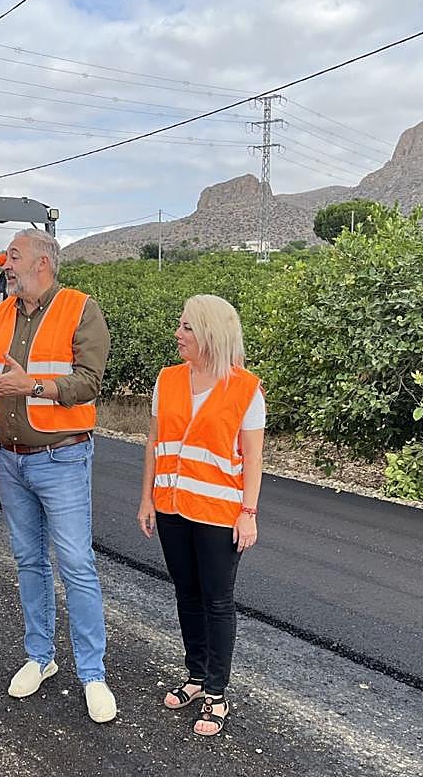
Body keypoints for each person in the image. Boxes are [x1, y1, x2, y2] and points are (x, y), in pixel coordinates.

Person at [0, 228, 117, 723]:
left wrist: (32, 384)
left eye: (12, 257)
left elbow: (90, 382)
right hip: (10, 459)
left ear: (42, 263)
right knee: (29, 560)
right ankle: (41, 657)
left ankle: (92, 674)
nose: (4, 265)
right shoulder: (1, 313)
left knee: (76, 564)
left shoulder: (80, 308)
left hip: (62, 459)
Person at [136, 295, 265, 737]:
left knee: (217, 600)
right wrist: (147, 498)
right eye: (180, 325)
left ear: (210, 332)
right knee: (186, 594)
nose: (178, 334)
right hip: (172, 508)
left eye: (187, 327)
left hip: (218, 513)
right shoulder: (167, 380)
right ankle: (194, 677)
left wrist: (248, 513)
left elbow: (253, 459)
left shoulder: (246, 388)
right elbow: (154, 443)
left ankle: (216, 693)